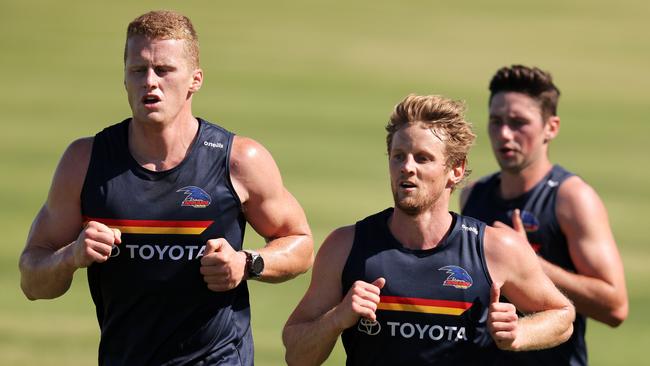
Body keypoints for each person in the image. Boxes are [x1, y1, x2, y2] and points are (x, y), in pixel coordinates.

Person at [18, 10, 313, 365]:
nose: (150, 82)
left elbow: (301, 244)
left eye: (164, 70)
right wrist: (72, 255)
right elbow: (32, 282)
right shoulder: (84, 162)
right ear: (124, 79)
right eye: (138, 70)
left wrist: (246, 262)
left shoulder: (239, 160)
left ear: (195, 79)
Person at [282, 94, 575, 366]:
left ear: (456, 169)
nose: (407, 167)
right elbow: (296, 354)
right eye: (399, 156)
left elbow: (562, 316)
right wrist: (336, 319)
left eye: (422, 158)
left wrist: (518, 333)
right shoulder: (345, 246)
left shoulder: (495, 249)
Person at [460, 64, 628, 365]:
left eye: (518, 122)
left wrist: (530, 263)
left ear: (551, 127)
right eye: (496, 121)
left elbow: (615, 307)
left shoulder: (571, 199)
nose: (504, 134)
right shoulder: (472, 195)